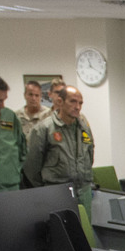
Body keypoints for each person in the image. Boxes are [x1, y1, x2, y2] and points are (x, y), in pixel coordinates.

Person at [23, 85, 95, 222]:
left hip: (83, 190)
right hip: (57, 192)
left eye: (80, 103)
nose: (77, 107)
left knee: (84, 233)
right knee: (61, 233)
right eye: (73, 101)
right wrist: (47, 188)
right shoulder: (44, 129)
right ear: (60, 102)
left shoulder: (83, 127)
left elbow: (90, 155)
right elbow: (31, 167)